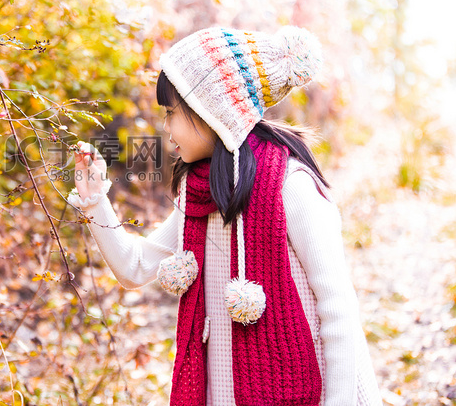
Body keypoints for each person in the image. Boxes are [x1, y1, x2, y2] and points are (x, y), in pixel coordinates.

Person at [67, 26, 381, 405]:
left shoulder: (292, 187)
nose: (166, 128)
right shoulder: (198, 195)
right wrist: (94, 199)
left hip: (318, 392)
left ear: (209, 109)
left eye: (172, 113)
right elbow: (134, 268)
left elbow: (338, 309)